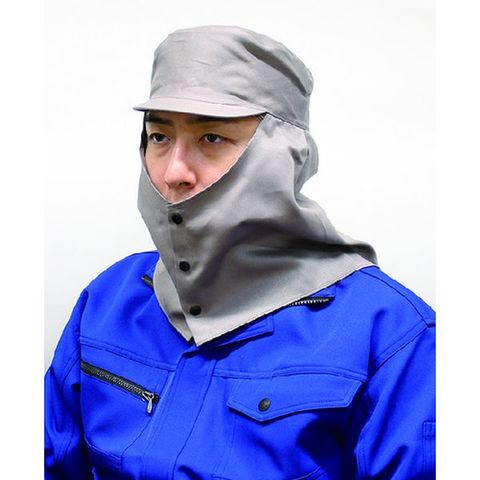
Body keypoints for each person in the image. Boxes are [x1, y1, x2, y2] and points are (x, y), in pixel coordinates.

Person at [44, 25, 435, 479]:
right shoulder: (109, 299)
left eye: (212, 137)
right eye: (160, 136)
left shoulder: (392, 336)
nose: (173, 172)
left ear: (282, 154)